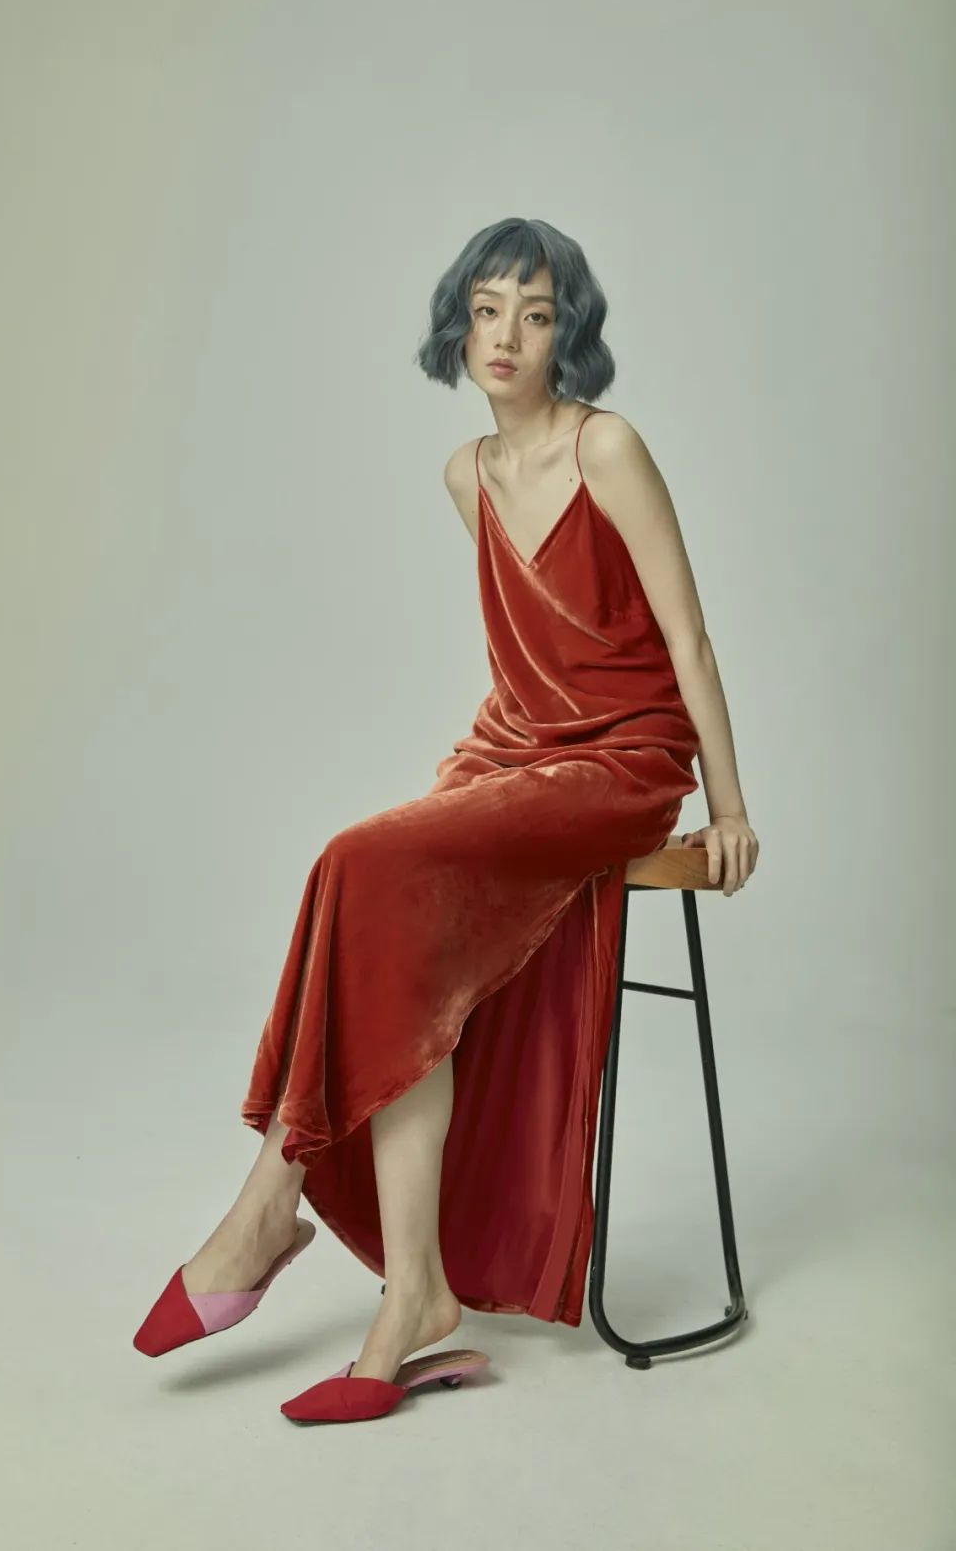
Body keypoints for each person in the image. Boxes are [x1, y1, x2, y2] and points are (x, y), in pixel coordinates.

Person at [133, 217, 760, 1424]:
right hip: (519, 751)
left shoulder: (609, 447)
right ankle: (414, 1291)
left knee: (357, 859)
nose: (506, 335)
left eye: (535, 313)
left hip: (621, 761)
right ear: (458, 329)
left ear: (567, 332)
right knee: (378, 901)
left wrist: (729, 807)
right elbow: (531, 654)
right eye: (485, 310)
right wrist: (483, 776)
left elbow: (685, 638)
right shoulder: (464, 476)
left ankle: (269, 1206)